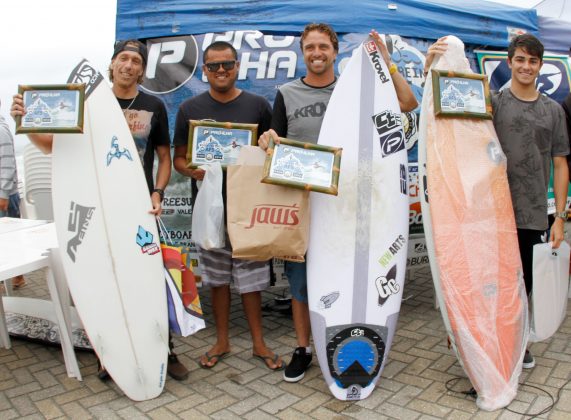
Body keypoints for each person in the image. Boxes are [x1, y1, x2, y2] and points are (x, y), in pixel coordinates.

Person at [10, 40, 189, 381]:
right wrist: (27, 120)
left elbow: (164, 157)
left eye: (136, 60)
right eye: (123, 58)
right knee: (103, 276)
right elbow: (52, 148)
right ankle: (109, 356)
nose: (129, 65)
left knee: (149, 278)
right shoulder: (87, 104)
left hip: (138, 208)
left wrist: (158, 191)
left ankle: (165, 349)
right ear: (112, 64)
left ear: (142, 68)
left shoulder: (153, 105)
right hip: (97, 207)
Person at [258, 23, 418, 383]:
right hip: (303, 202)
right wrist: (270, 141)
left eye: (323, 47)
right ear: (303, 52)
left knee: (347, 273)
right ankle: (303, 349)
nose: (316, 53)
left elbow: (407, 104)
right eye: (310, 47)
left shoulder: (357, 89)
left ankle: (352, 330)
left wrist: (388, 64)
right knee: (300, 282)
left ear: (334, 51)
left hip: (352, 202)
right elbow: (276, 141)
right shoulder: (286, 92)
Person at [425, 34, 569, 369]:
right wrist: (431, 67)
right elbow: (446, 106)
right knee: (490, 284)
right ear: (509, 62)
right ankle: (481, 341)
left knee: (523, 287)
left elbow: (561, 163)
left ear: (540, 66)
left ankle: (518, 342)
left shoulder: (553, 111)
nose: (526, 66)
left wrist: (560, 216)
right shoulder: (492, 103)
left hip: (533, 214)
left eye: (532, 61)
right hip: (490, 214)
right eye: (520, 59)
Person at [172, 41, 284, 370]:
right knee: (217, 280)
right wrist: (189, 169)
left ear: (237, 67)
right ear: (204, 71)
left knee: (251, 281)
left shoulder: (259, 106)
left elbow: (269, 153)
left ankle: (259, 344)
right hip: (210, 209)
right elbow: (179, 158)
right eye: (213, 66)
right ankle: (222, 341)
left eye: (227, 64)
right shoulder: (188, 109)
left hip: (248, 209)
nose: (221, 70)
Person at [0, 100, 26, 289]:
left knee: (11, 238)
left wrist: (3, 194)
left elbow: (8, 164)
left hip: (6, 194)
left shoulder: (1, 130)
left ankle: (18, 276)